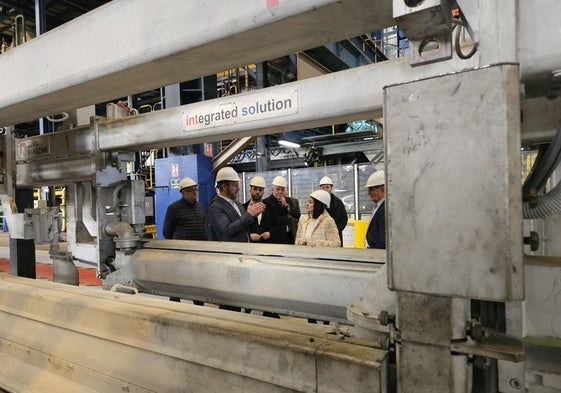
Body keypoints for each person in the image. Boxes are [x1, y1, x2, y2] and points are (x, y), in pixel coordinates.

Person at [162, 176, 207, 304]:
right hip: (181, 253)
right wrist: (179, 244)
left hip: (199, 252)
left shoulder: (200, 207)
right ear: (183, 192)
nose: (195, 193)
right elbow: (166, 232)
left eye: (196, 190)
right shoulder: (174, 208)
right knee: (179, 280)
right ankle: (176, 305)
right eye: (192, 190)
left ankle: (199, 305)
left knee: (196, 282)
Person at [208, 167, 266, 242]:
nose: (238, 189)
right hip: (231, 252)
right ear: (224, 187)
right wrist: (249, 214)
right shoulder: (215, 207)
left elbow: (243, 226)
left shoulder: (237, 204)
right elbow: (227, 231)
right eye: (235, 186)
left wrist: (253, 215)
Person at [261, 176, 300, 244]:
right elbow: (271, 222)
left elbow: (297, 215)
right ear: (273, 190)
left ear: (285, 190)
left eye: (282, 190)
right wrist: (286, 215)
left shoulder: (289, 200)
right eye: (277, 189)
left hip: (290, 236)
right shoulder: (267, 202)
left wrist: (286, 206)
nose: (280, 192)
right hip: (276, 238)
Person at [319, 176, 348, 247]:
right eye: (323, 187)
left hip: (335, 235)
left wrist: (336, 230)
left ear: (331, 188)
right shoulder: (317, 202)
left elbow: (344, 218)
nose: (325, 189)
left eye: (327, 187)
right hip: (321, 235)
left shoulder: (338, 202)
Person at [243, 175, 271, 242]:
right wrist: (249, 236)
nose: (257, 192)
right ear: (250, 190)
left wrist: (270, 233)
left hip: (267, 247)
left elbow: (276, 226)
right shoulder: (243, 208)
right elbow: (240, 227)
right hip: (249, 247)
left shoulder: (270, 207)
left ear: (263, 192)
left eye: (260, 189)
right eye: (255, 189)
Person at [364, 170, 386, 249]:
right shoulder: (379, 207)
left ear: (382, 190)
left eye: (371, 189)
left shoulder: (385, 209)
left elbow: (384, 238)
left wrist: (377, 254)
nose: (369, 193)